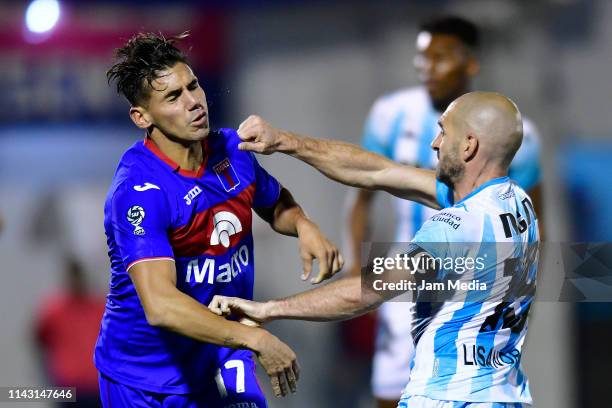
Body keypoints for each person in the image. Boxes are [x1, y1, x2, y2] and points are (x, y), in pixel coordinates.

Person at [210, 91, 539, 407]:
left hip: (448, 399)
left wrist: (268, 309)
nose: (435, 143)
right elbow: (378, 171)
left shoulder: (459, 226)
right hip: (502, 396)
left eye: (443, 132)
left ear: (469, 145)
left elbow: (367, 292)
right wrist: (286, 142)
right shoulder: (517, 204)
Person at [94, 32, 342, 408]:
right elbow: (161, 305)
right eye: (174, 97)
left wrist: (304, 225)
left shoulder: (232, 151)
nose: (194, 102)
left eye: (193, 86)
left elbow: (275, 204)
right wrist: (255, 338)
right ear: (141, 116)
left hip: (223, 352)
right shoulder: (138, 192)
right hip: (146, 376)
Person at [346, 16, 542, 407]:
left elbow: (535, 223)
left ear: (471, 63)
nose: (427, 67)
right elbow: (365, 189)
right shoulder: (390, 113)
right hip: (407, 276)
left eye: (440, 57)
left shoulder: (517, 134)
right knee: (392, 395)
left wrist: (518, 304)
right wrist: (355, 268)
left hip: (473, 289)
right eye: (423, 57)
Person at [35, 256, 106, 407]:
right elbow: (38, 340)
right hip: (68, 386)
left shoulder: (100, 307)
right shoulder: (54, 310)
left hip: (97, 385)